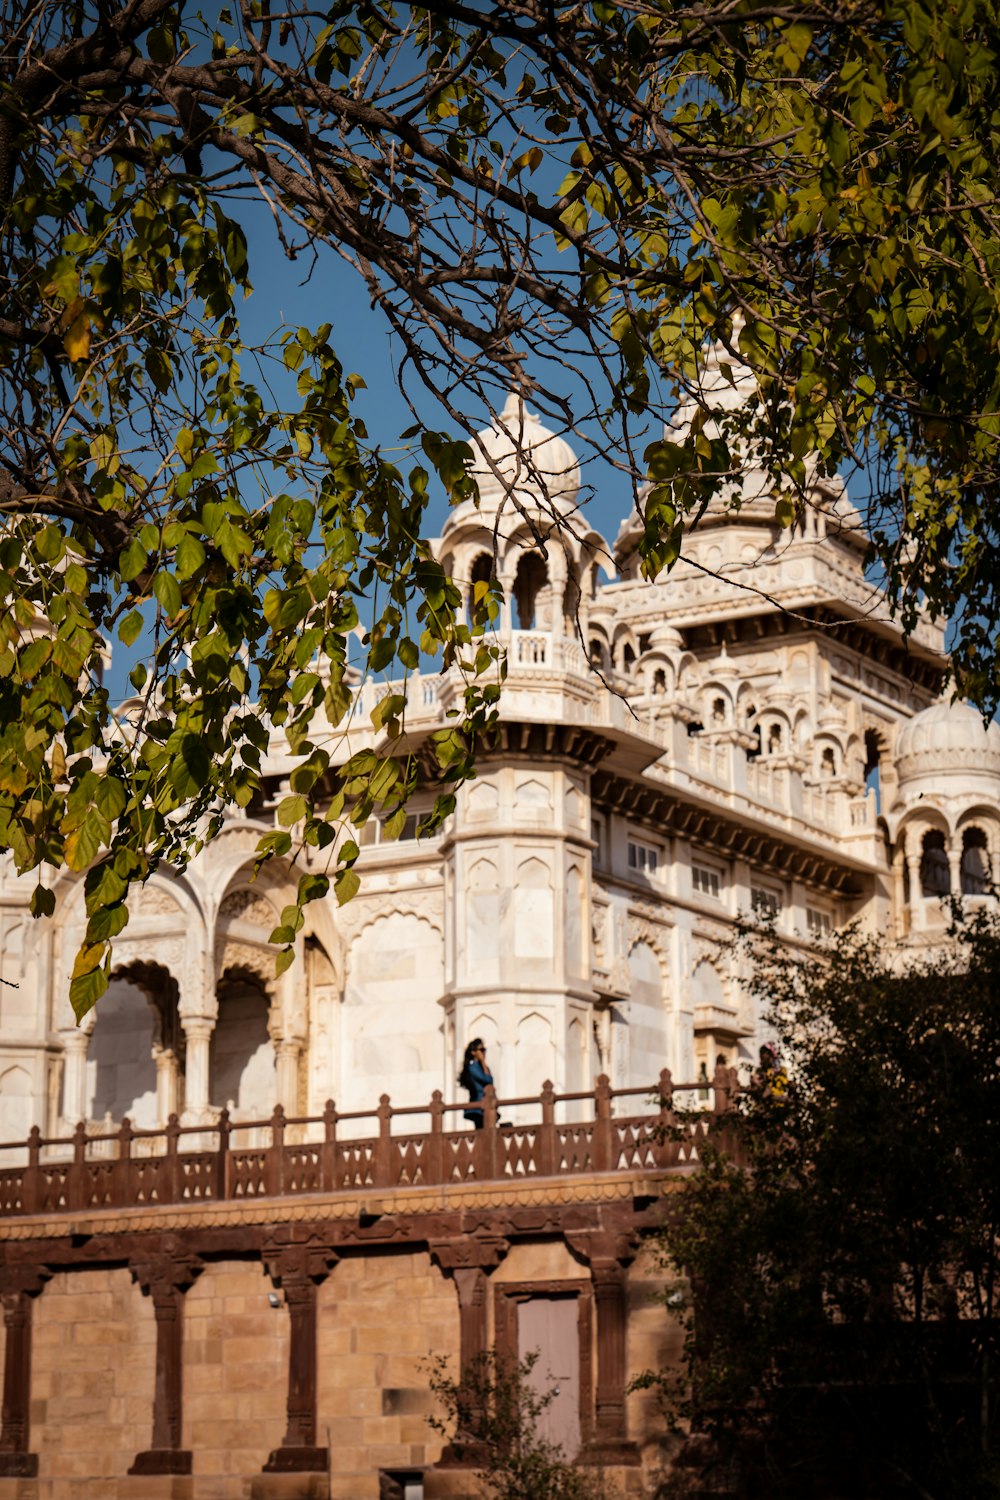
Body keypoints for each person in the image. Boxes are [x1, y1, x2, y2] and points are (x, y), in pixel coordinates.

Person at [459, 1038, 494, 1129]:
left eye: (484, 1050)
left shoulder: (481, 1066)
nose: (483, 1052)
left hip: (485, 1105)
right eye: (481, 1050)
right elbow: (488, 1079)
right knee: (482, 1131)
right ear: (473, 1052)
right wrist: (483, 1061)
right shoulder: (472, 1067)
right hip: (478, 1107)